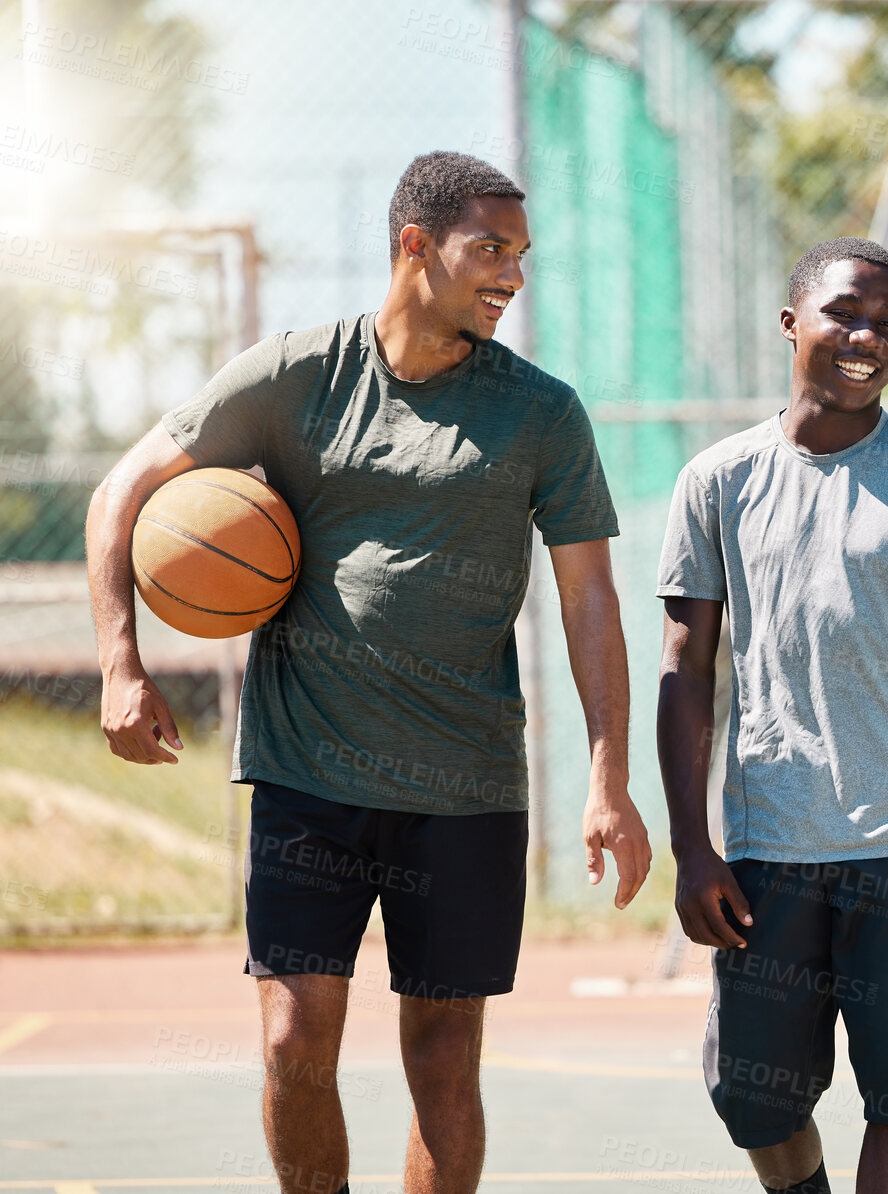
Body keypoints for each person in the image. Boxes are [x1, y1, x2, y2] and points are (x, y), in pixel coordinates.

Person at [86, 150, 653, 1194]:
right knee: (292, 1041)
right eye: (490, 249)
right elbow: (122, 490)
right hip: (309, 778)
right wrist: (121, 664)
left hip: (467, 784)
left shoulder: (541, 414)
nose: (511, 277)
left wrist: (610, 777)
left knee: (443, 1059)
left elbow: (590, 599)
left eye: (521, 256)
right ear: (414, 244)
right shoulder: (296, 374)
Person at [655, 237, 888, 1194]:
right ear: (792, 323)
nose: (868, 336)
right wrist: (690, 846)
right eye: (846, 313)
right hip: (768, 847)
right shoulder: (719, 480)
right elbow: (685, 670)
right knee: (756, 1101)